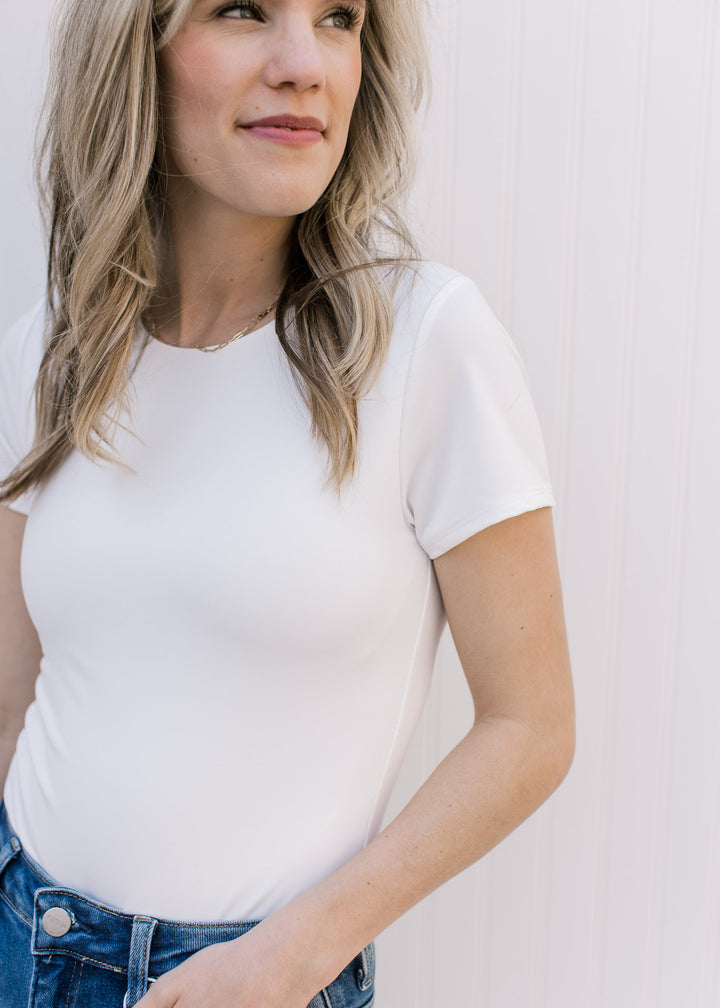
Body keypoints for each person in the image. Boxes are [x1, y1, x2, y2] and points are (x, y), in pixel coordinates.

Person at [0, 0, 575, 1005]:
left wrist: (291, 958)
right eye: (243, 10)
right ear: (137, 52)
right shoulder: (54, 348)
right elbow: (13, 691)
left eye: (340, 18)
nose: (305, 64)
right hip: (20, 936)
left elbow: (530, 727)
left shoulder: (429, 340)